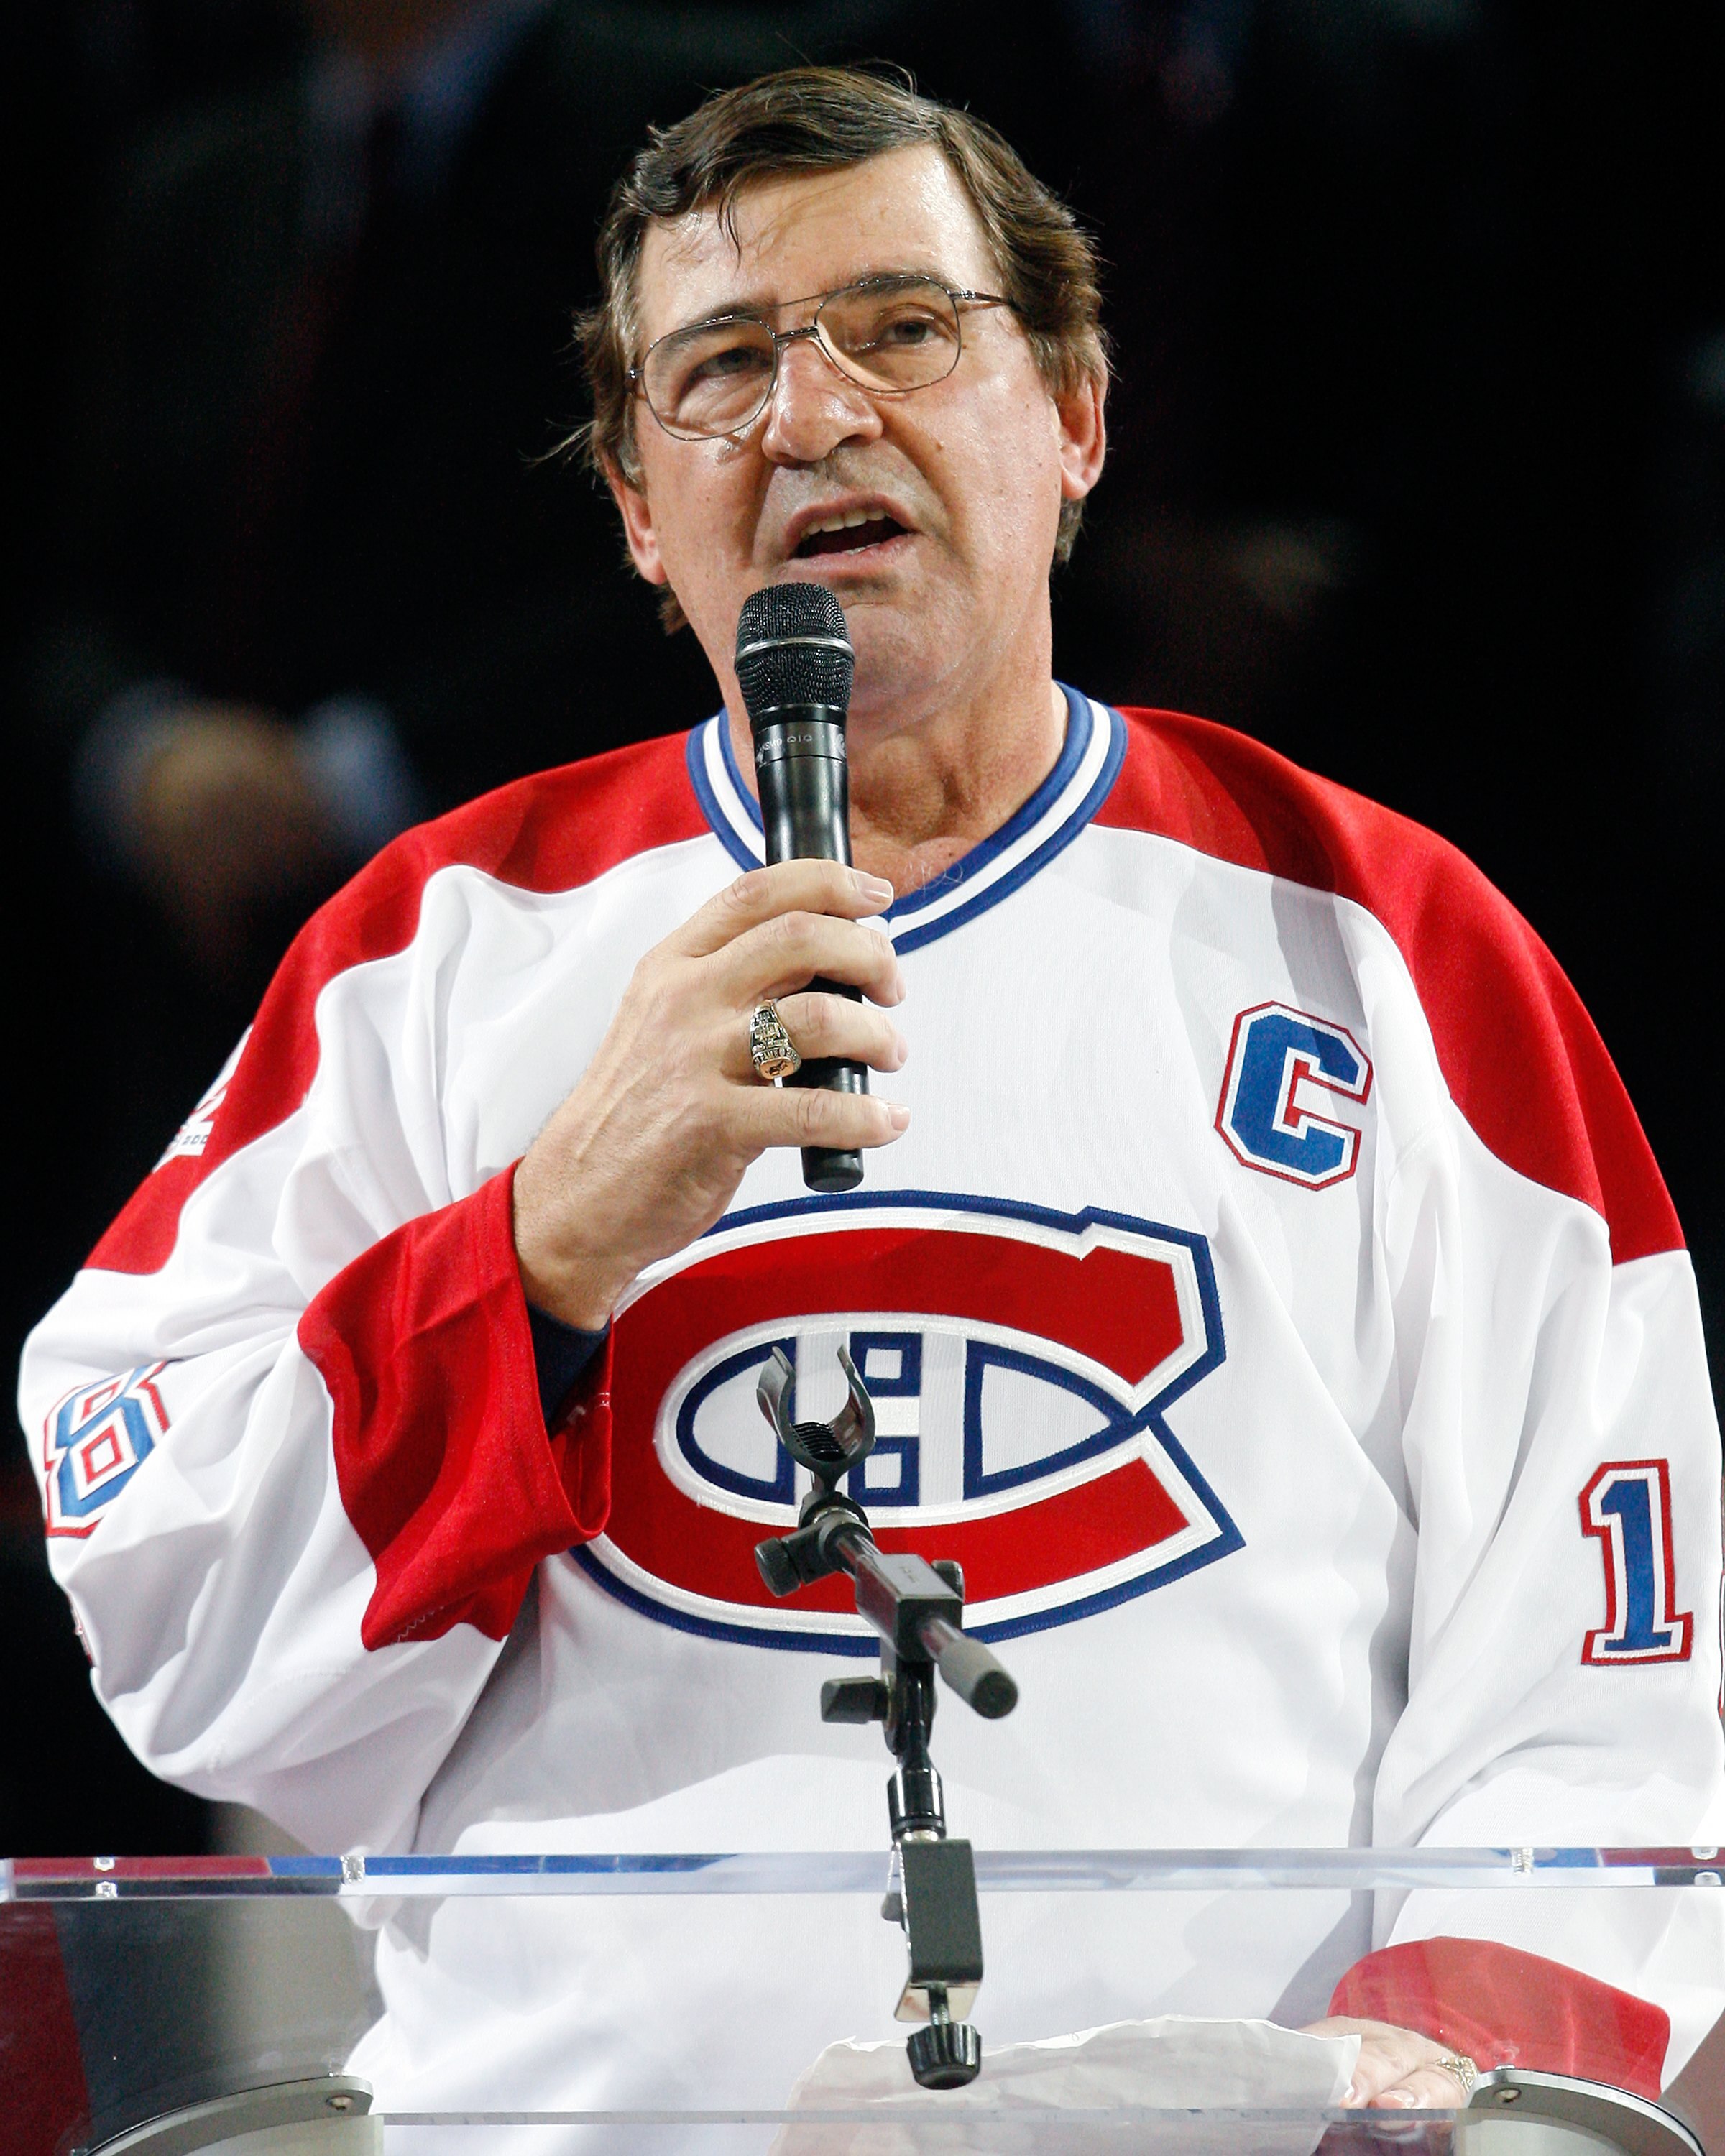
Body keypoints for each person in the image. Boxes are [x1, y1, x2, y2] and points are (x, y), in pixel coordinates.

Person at [21, 65, 1725, 2122]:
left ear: (1075, 417)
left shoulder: (1388, 949)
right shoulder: (428, 960)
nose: (813, 416)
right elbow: (169, 1612)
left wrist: (1452, 2040)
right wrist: (539, 1248)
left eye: (904, 331)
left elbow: (1612, 1639)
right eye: (720, 366)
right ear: (644, 516)